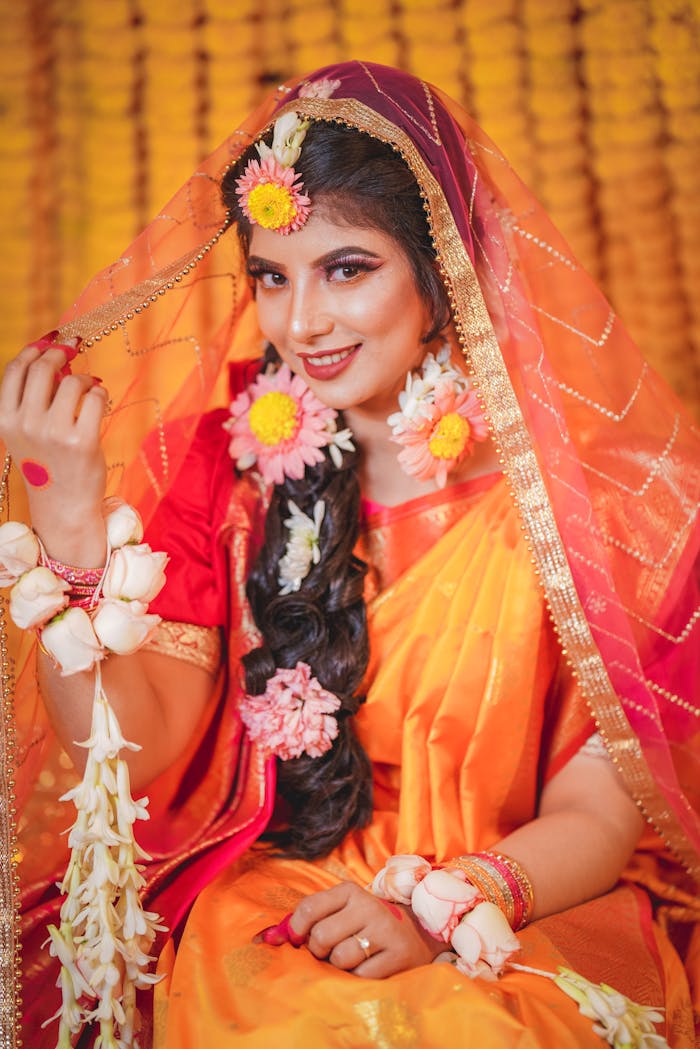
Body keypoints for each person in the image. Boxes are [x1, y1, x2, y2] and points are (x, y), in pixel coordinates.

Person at [1, 61, 698, 1048]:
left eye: (347, 268)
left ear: (445, 262)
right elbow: (135, 750)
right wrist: (72, 536)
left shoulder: (602, 506)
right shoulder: (225, 471)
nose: (302, 323)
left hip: (524, 898)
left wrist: (437, 908)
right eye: (272, 277)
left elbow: (597, 810)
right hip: (286, 898)